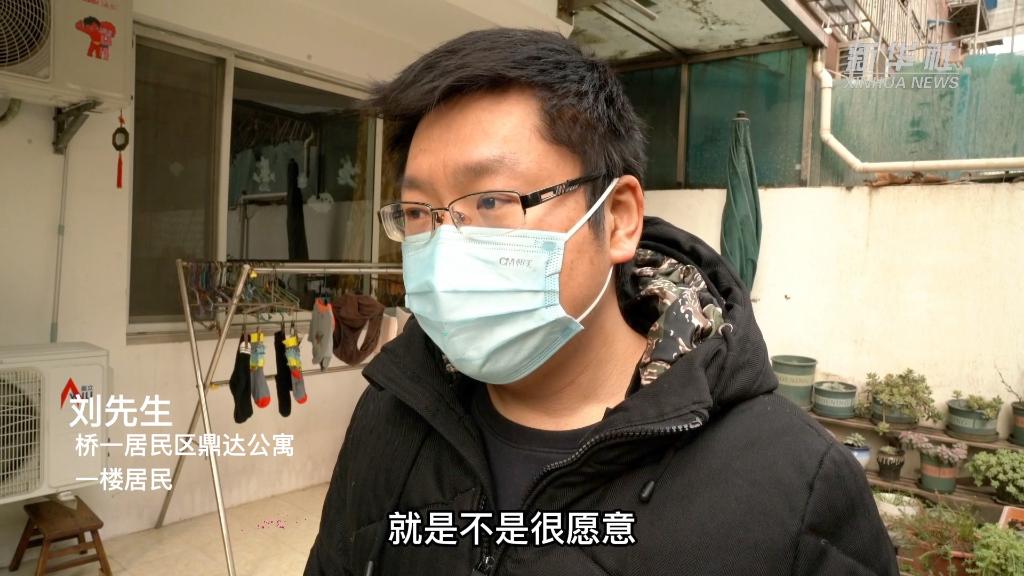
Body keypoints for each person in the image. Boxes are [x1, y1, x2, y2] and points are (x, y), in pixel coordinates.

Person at [306, 28, 898, 576]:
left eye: (490, 201)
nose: (443, 247)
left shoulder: (795, 489)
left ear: (617, 219)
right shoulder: (394, 413)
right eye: (418, 213)